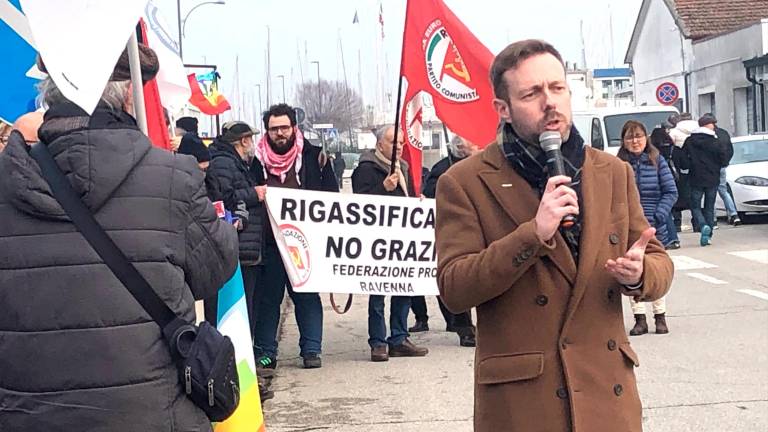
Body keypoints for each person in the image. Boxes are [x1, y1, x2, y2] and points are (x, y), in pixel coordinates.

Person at [435, 39, 673, 432]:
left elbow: (659, 261)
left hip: (606, 397)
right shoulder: (464, 182)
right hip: (525, 403)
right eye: (532, 93)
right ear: (503, 109)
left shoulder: (611, 172)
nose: (550, 102)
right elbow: (455, 288)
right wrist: (533, 233)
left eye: (557, 88)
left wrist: (641, 274)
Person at [0, 44, 238, 431]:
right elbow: (214, 270)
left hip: (28, 415)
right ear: (129, 94)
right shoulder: (173, 176)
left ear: (48, 94)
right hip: (149, 412)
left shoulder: (7, 180)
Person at [250, 103, 339, 371]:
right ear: (267, 131)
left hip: (305, 243)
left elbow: (331, 197)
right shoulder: (255, 161)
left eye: (284, 128)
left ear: (294, 128)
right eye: (274, 129)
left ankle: (311, 350)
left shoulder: (315, 157)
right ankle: (266, 352)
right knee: (269, 299)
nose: (280, 133)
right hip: (271, 244)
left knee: (307, 296)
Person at [352, 124, 430, 362]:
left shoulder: (403, 168)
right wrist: (382, 189)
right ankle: (378, 342)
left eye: (401, 143)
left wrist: (417, 201)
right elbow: (358, 205)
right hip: (377, 240)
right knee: (378, 294)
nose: (397, 147)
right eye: (392, 142)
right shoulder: (366, 169)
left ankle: (399, 338)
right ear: (379, 144)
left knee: (403, 290)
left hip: (401, 240)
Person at [409, 134, 480, 347]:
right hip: (453, 231)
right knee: (458, 278)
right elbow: (431, 197)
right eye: (473, 140)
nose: (478, 144)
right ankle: (464, 328)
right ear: (460, 147)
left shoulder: (483, 165)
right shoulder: (442, 170)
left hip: (478, 228)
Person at [618, 121, 677, 335]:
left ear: (646, 138)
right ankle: (639, 319)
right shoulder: (617, 164)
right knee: (632, 271)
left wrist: (659, 215)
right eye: (630, 137)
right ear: (623, 141)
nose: (635, 141)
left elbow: (671, 191)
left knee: (653, 269)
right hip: (628, 228)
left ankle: (660, 317)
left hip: (655, 225)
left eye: (639, 136)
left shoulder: (657, 160)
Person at [681, 113, 725, 246]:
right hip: (713, 177)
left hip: (696, 177)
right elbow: (723, 158)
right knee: (709, 207)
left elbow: (683, 158)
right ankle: (709, 233)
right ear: (707, 125)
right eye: (713, 123)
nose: (714, 126)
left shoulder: (690, 140)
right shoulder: (715, 141)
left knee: (695, 205)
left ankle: (702, 224)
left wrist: (688, 167)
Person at [650, 126, 680, 249]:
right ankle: (674, 238)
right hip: (672, 178)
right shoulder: (672, 147)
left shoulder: (653, 152)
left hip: (655, 186)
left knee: (664, 213)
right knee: (667, 211)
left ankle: (670, 238)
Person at [710, 114, 741, 226]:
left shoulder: (709, 135)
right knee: (723, 191)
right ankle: (734, 214)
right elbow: (730, 150)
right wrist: (725, 162)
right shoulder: (723, 133)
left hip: (711, 168)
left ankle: (712, 219)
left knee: (710, 192)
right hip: (722, 166)